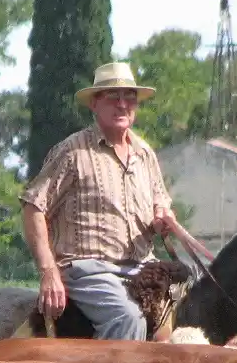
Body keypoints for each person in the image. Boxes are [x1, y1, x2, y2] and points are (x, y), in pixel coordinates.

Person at [19, 61, 183, 340]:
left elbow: (160, 203)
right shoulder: (73, 152)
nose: (122, 104)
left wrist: (163, 218)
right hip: (89, 271)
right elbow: (33, 206)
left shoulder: (145, 154)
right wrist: (48, 272)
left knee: (199, 305)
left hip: (142, 266)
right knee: (127, 318)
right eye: (113, 97)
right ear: (94, 104)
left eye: (129, 97)